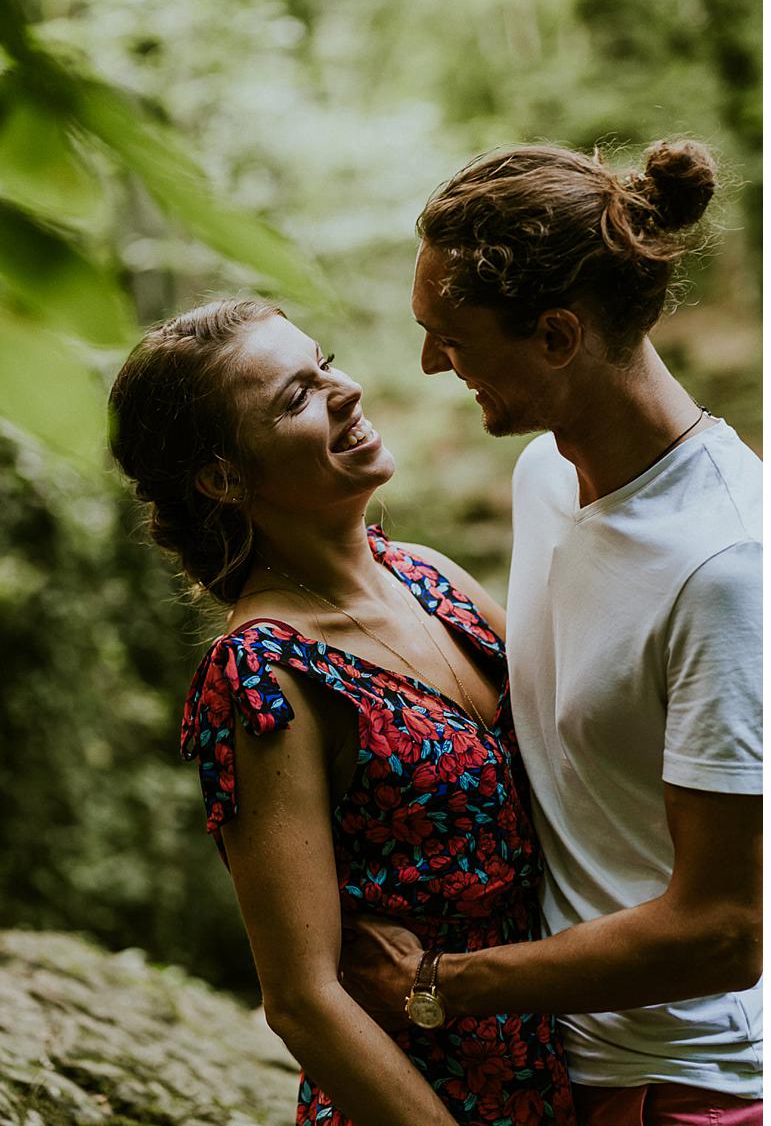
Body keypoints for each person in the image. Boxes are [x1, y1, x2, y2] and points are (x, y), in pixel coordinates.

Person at [339, 139, 764, 1125]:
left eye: (450, 334)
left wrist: (439, 982)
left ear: (558, 337)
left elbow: (724, 927)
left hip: (677, 1083)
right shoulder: (544, 477)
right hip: (549, 1060)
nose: (429, 362)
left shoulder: (720, 567)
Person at [108, 299, 573, 1125]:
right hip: (420, 1099)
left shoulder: (432, 579)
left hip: (568, 1063)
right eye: (295, 398)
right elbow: (302, 998)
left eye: (325, 363)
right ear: (223, 477)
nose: (346, 389)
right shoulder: (260, 674)